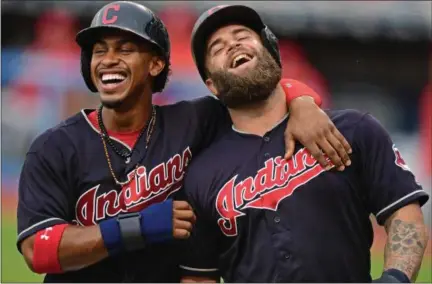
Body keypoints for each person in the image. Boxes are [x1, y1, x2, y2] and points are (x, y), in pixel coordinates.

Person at [16, 1, 352, 283]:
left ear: (156, 63)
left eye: (125, 48)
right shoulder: (54, 147)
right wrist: (137, 226)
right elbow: (38, 250)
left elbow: (261, 92)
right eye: (99, 51)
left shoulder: (195, 121)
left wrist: (303, 104)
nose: (108, 60)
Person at [179, 4, 430, 283]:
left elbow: (403, 212)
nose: (233, 45)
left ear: (272, 52)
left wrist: (395, 279)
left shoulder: (353, 130)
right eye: (217, 47)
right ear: (212, 84)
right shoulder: (201, 175)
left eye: (243, 36)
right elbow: (199, 275)